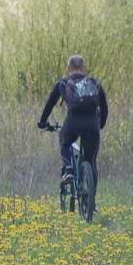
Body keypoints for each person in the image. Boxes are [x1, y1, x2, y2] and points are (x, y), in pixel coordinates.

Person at [37, 55, 109, 210]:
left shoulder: (63, 83)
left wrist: (42, 122)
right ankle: (91, 202)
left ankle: (69, 168)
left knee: (65, 140)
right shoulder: (94, 83)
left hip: (73, 123)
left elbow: (50, 103)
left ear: (68, 68)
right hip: (92, 124)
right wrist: (100, 125)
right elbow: (104, 107)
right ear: (83, 68)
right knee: (91, 162)